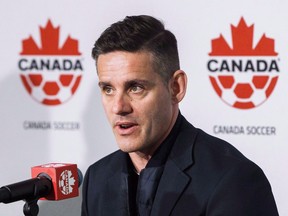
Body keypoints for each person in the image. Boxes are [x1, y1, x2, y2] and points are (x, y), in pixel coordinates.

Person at [81, 15, 279, 216]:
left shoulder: (233, 181)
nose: (118, 107)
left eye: (135, 88)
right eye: (108, 89)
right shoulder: (96, 179)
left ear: (176, 87)